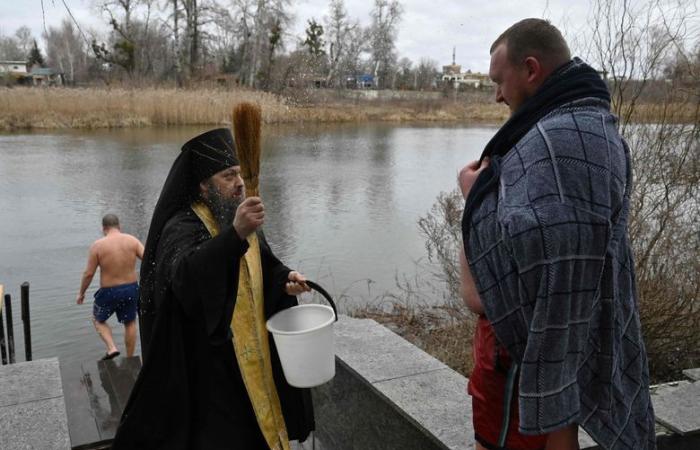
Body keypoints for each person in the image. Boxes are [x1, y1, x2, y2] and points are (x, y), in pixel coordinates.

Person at [459, 19, 655, 450]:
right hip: (574, 335)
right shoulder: (599, 131)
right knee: (559, 410)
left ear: (530, 69)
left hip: (514, 356)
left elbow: (483, 296)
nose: (495, 95)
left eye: (498, 81)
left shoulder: (547, 144)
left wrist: (473, 201)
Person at [111, 128, 315, 450]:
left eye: (239, 174)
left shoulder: (236, 217)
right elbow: (185, 281)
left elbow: (263, 266)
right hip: (212, 370)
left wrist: (285, 280)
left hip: (254, 355)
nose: (239, 183)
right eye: (228, 175)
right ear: (203, 185)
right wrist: (234, 234)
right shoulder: (181, 226)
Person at [77, 214, 144, 360]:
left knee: (98, 319)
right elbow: (148, 259)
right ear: (119, 226)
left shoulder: (98, 245)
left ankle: (112, 348)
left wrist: (81, 293)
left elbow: (89, 273)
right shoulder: (132, 240)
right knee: (130, 323)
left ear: (103, 228)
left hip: (109, 291)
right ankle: (130, 358)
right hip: (131, 289)